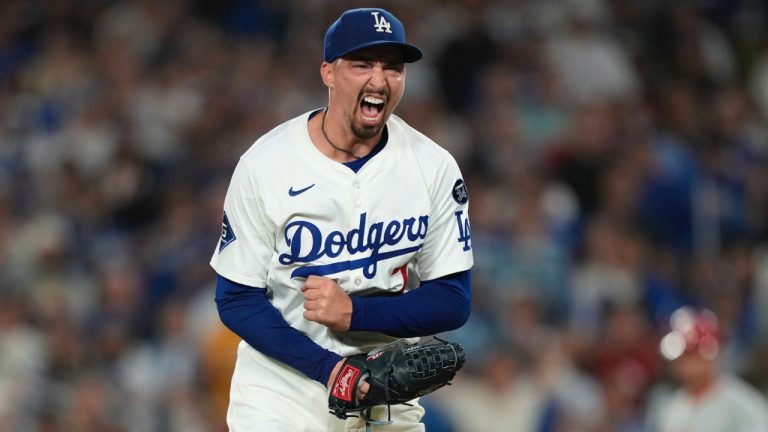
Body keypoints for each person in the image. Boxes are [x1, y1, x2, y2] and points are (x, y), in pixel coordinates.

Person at [210, 7, 474, 432]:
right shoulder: (267, 164)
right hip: (283, 389)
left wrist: (356, 313)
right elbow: (236, 299)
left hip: (385, 390)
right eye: (362, 64)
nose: (379, 79)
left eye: (392, 67)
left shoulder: (433, 167)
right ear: (328, 73)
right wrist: (329, 369)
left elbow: (453, 299)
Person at [650, 306, 768, 432]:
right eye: (681, 357)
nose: (685, 365)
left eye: (691, 355)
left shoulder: (743, 404)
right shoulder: (672, 407)